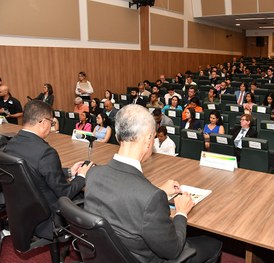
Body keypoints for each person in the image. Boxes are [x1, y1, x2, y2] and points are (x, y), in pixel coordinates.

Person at [84, 104, 222, 262]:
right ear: (149, 139)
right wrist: (181, 213)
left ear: (117, 135)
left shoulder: (93, 174)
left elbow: (127, 196)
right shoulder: (150, 197)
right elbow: (173, 250)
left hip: (109, 255)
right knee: (214, 243)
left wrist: (159, 191)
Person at [5, 100, 92, 239]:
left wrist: (69, 171)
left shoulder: (10, 145)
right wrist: (81, 177)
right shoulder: (46, 153)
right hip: (48, 216)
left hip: (23, 210)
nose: (51, 126)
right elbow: (65, 193)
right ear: (44, 122)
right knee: (91, 197)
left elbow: (32, 171)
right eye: (51, 122)